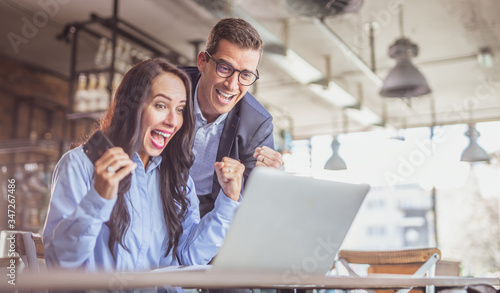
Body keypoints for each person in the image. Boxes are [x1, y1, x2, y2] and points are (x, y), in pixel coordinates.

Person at [42, 58, 244, 272]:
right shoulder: (79, 165)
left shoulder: (178, 178)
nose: (173, 121)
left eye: (180, 109)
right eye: (160, 105)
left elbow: (189, 256)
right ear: (130, 106)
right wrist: (98, 199)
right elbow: (60, 263)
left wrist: (228, 201)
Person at [183, 17, 283, 218]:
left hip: (209, 214)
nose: (232, 85)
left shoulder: (257, 124)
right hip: (155, 200)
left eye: (245, 75)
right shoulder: (169, 87)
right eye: (225, 68)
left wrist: (267, 180)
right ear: (203, 61)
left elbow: (252, 201)